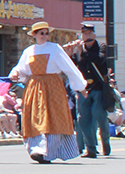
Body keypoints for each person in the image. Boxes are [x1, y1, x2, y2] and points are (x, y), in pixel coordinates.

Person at [8, 22, 85, 163]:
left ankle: (49, 151)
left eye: (46, 33)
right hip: (35, 86)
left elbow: (69, 68)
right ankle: (38, 149)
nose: (44, 36)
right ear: (35, 35)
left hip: (52, 86)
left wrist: (79, 86)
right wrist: (15, 73)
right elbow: (21, 68)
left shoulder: (55, 49)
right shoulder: (29, 51)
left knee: (53, 117)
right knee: (36, 117)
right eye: (41, 33)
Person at [68, 23, 113, 157]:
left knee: (98, 113)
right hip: (84, 89)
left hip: (98, 87)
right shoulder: (78, 49)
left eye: (89, 33)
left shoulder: (101, 46)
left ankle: (105, 140)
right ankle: (91, 148)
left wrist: (84, 48)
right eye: (84, 33)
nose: (87, 35)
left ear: (93, 34)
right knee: (84, 119)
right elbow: (73, 67)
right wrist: (70, 53)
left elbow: (99, 59)